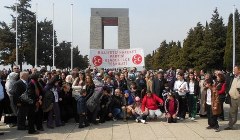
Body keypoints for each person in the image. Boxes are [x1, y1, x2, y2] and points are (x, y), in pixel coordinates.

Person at [225, 66, 240, 130]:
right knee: (231, 112)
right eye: (234, 69)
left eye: (235, 70)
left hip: (239, 97)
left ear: (239, 70)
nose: (234, 71)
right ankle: (230, 125)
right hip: (232, 97)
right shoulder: (233, 77)